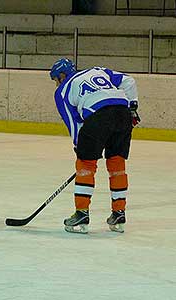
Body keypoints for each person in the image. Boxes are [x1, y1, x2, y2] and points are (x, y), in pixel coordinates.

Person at [49, 58, 140, 234]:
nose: (56, 83)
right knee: (117, 164)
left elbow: (73, 122)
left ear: (61, 76)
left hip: (97, 116)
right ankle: (119, 214)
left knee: (86, 165)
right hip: (123, 113)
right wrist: (133, 107)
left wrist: (80, 148)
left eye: (55, 79)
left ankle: (82, 214)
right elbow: (128, 81)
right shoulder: (97, 70)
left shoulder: (62, 90)